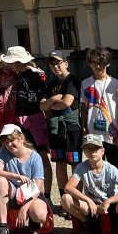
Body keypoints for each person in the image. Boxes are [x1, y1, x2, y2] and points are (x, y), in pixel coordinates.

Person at [62, 133, 118, 234]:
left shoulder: (111, 169)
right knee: (66, 199)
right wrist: (88, 200)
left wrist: (108, 201)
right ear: (84, 151)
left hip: (111, 207)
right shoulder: (81, 167)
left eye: (95, 148)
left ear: (102, 151)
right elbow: (68, 187)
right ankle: (88, 223)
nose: (92, 152)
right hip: (92, 207)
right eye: (88, 148)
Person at [3, 46, 52, 202]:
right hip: (21, 119)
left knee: (42, 156)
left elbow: (45, 96)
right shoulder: (17, 76)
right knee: (24, 155)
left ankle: (46, 194)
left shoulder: (37, 75)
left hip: (36, 118)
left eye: (12, 62)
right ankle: (28, 192)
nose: (10, 65)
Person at [0, 123, 53, 234]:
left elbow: (37, 187)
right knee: (1, 180)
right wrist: (15, 176)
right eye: (5, 142)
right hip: (13, 192)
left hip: (30, 194)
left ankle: (33, 222)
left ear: (21, 139)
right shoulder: (4, 151)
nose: (9, 145)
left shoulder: (35, 157)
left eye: (11, 140)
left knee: (40, 215)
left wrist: (24, 208)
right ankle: (3, 227)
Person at [39, 50, 80, 213]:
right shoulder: (51, 84)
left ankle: (75, 199)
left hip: (71, 127)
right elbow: (42, 106)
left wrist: (52, 103)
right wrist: (55, 99)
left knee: (74, 162)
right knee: (59, 162)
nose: (55, 66)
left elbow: (67, 102)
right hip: (55, 127)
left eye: (58, 63)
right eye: (52, 64)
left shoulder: (72, 80)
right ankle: (64, 199)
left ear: (66, 63)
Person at [80, 47, 118, 172]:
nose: (97, 66)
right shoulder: (85, 83)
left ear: (108, 63)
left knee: (116, 168)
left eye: (101, 62)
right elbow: (84, 107)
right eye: (94, 62)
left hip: (112, 133)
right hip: (93, 132)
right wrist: (84, 128)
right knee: (95, 167)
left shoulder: (116, 83)